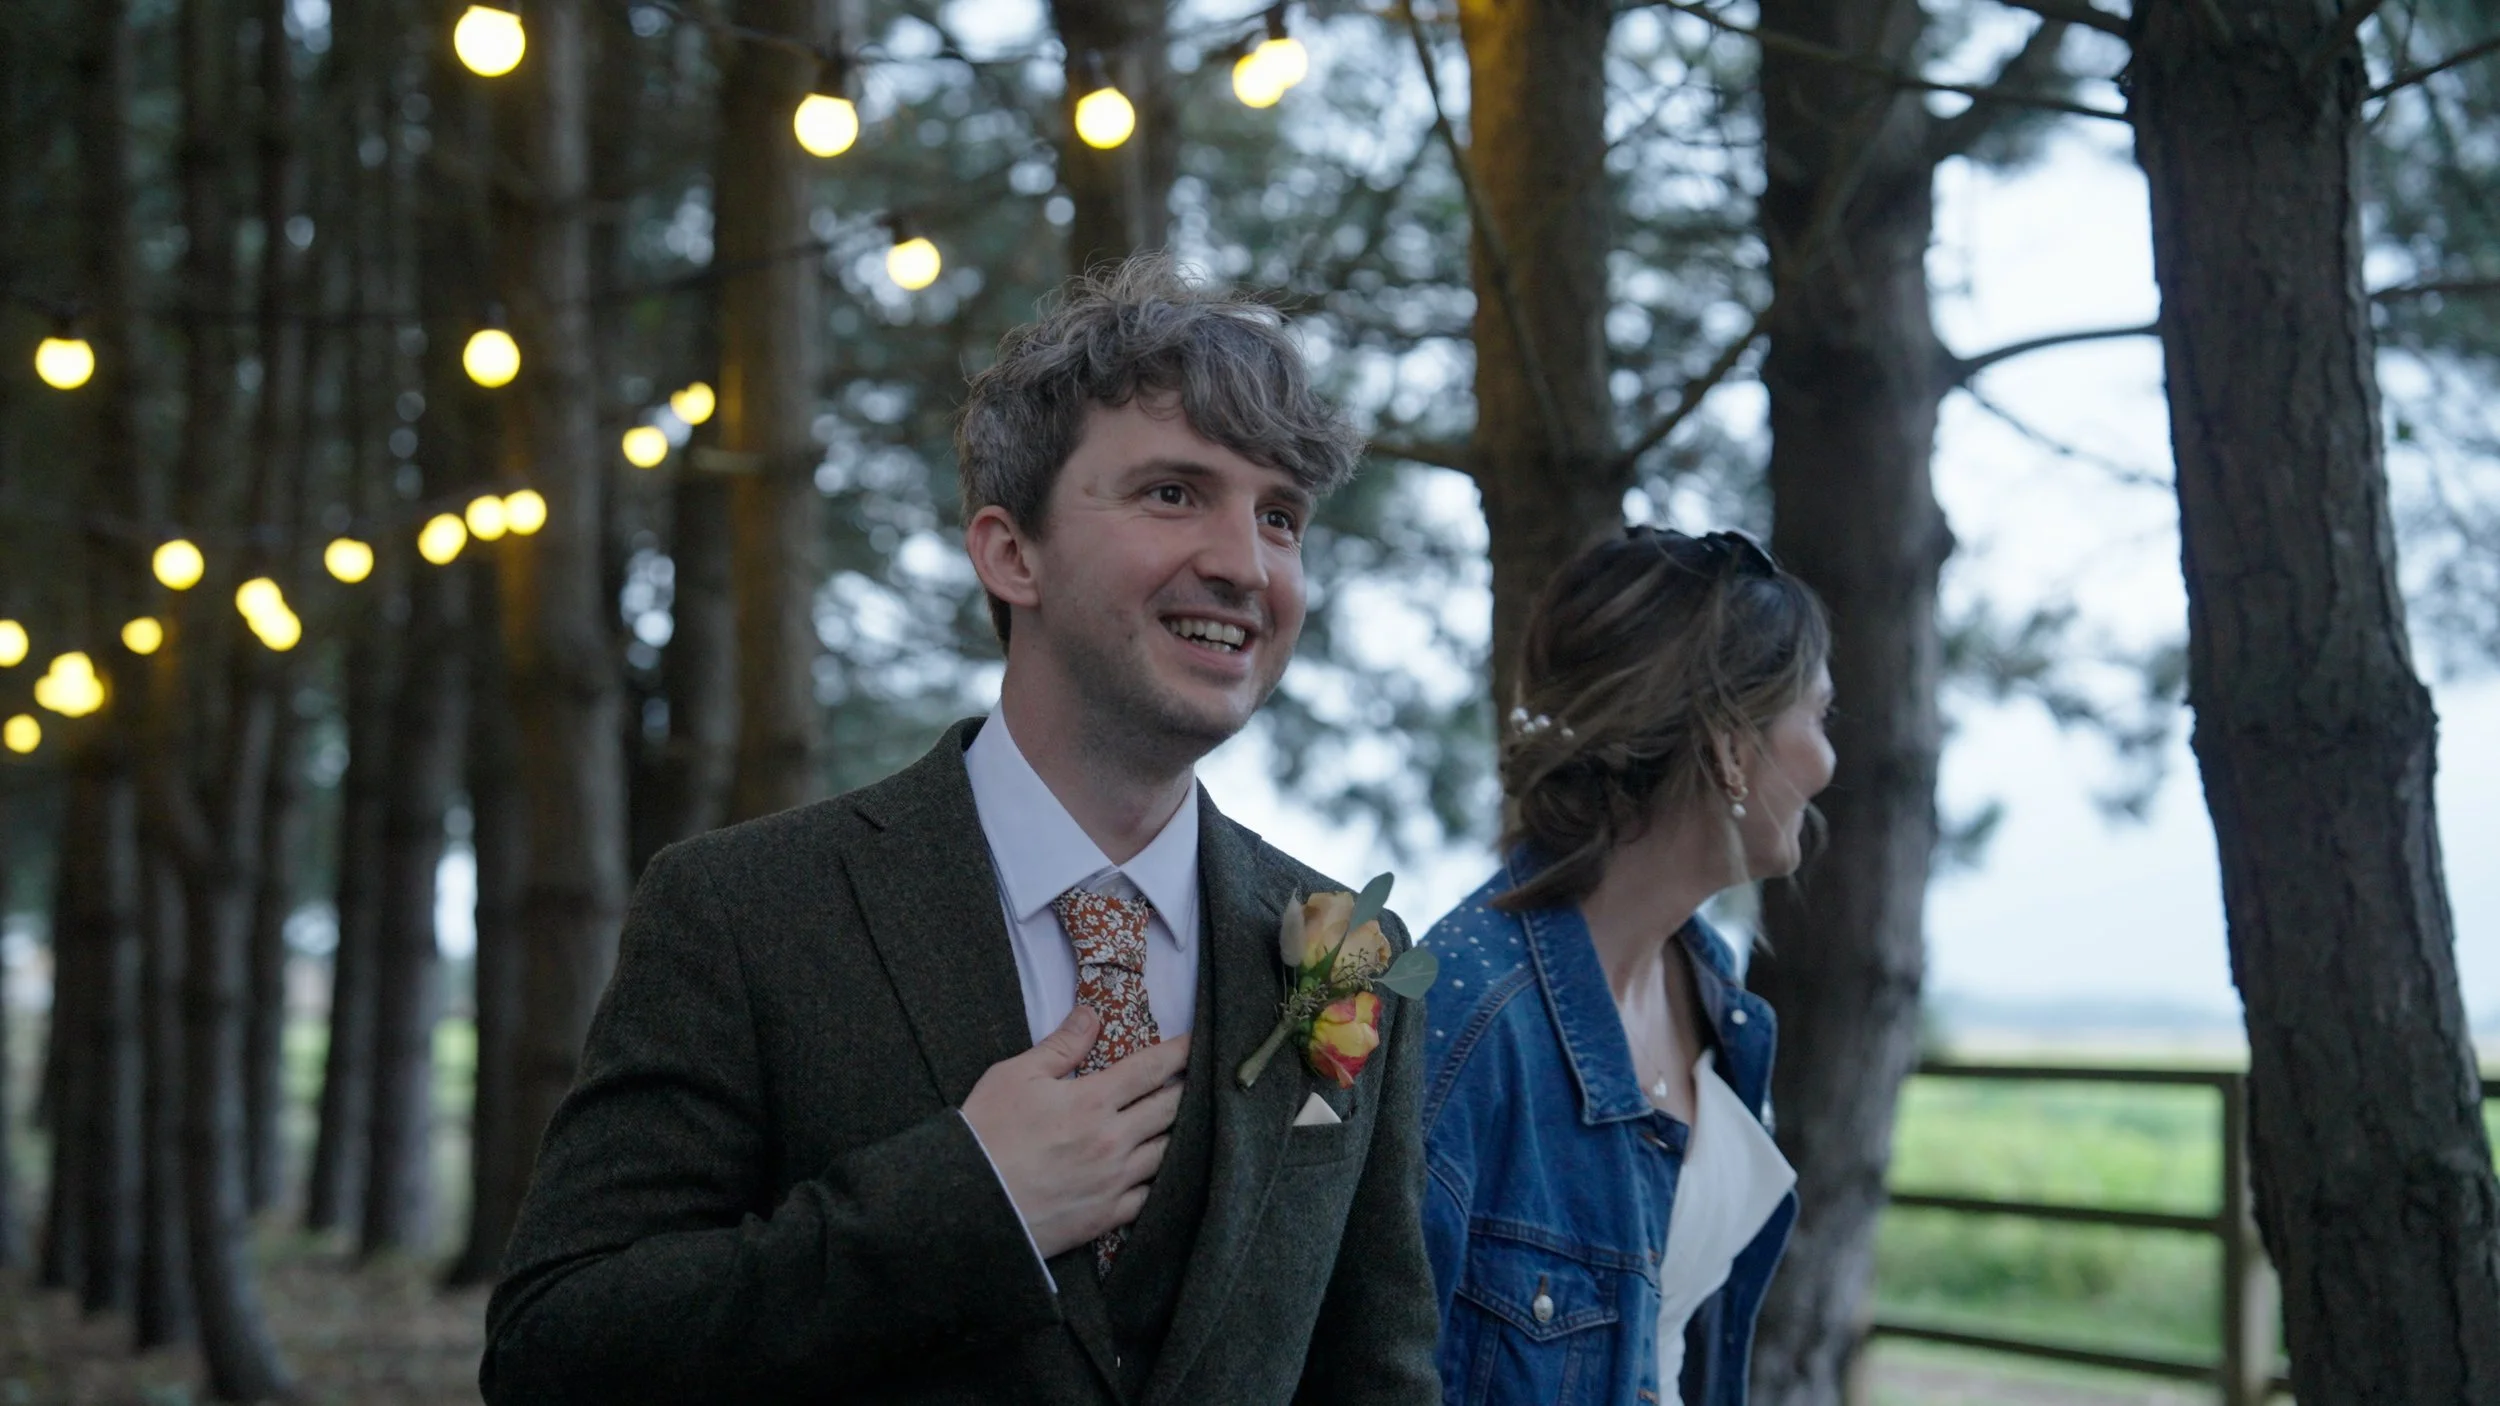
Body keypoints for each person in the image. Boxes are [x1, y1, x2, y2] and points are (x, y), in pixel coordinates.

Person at [481, 255, 1439, 1405]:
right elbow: (555, 1350)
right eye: (1173, 493)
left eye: (1279, 516)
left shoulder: (1346, 956)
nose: (1245, 564)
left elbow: (1375, 1374)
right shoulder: (746, 910)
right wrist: (969, 1200)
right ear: (1009, 552)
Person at [1418, 526, 1836, 1406]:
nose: (1826, 764)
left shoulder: (1717, 991)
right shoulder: (1465, 1022)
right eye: (1815, 717)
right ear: (1729, 744)